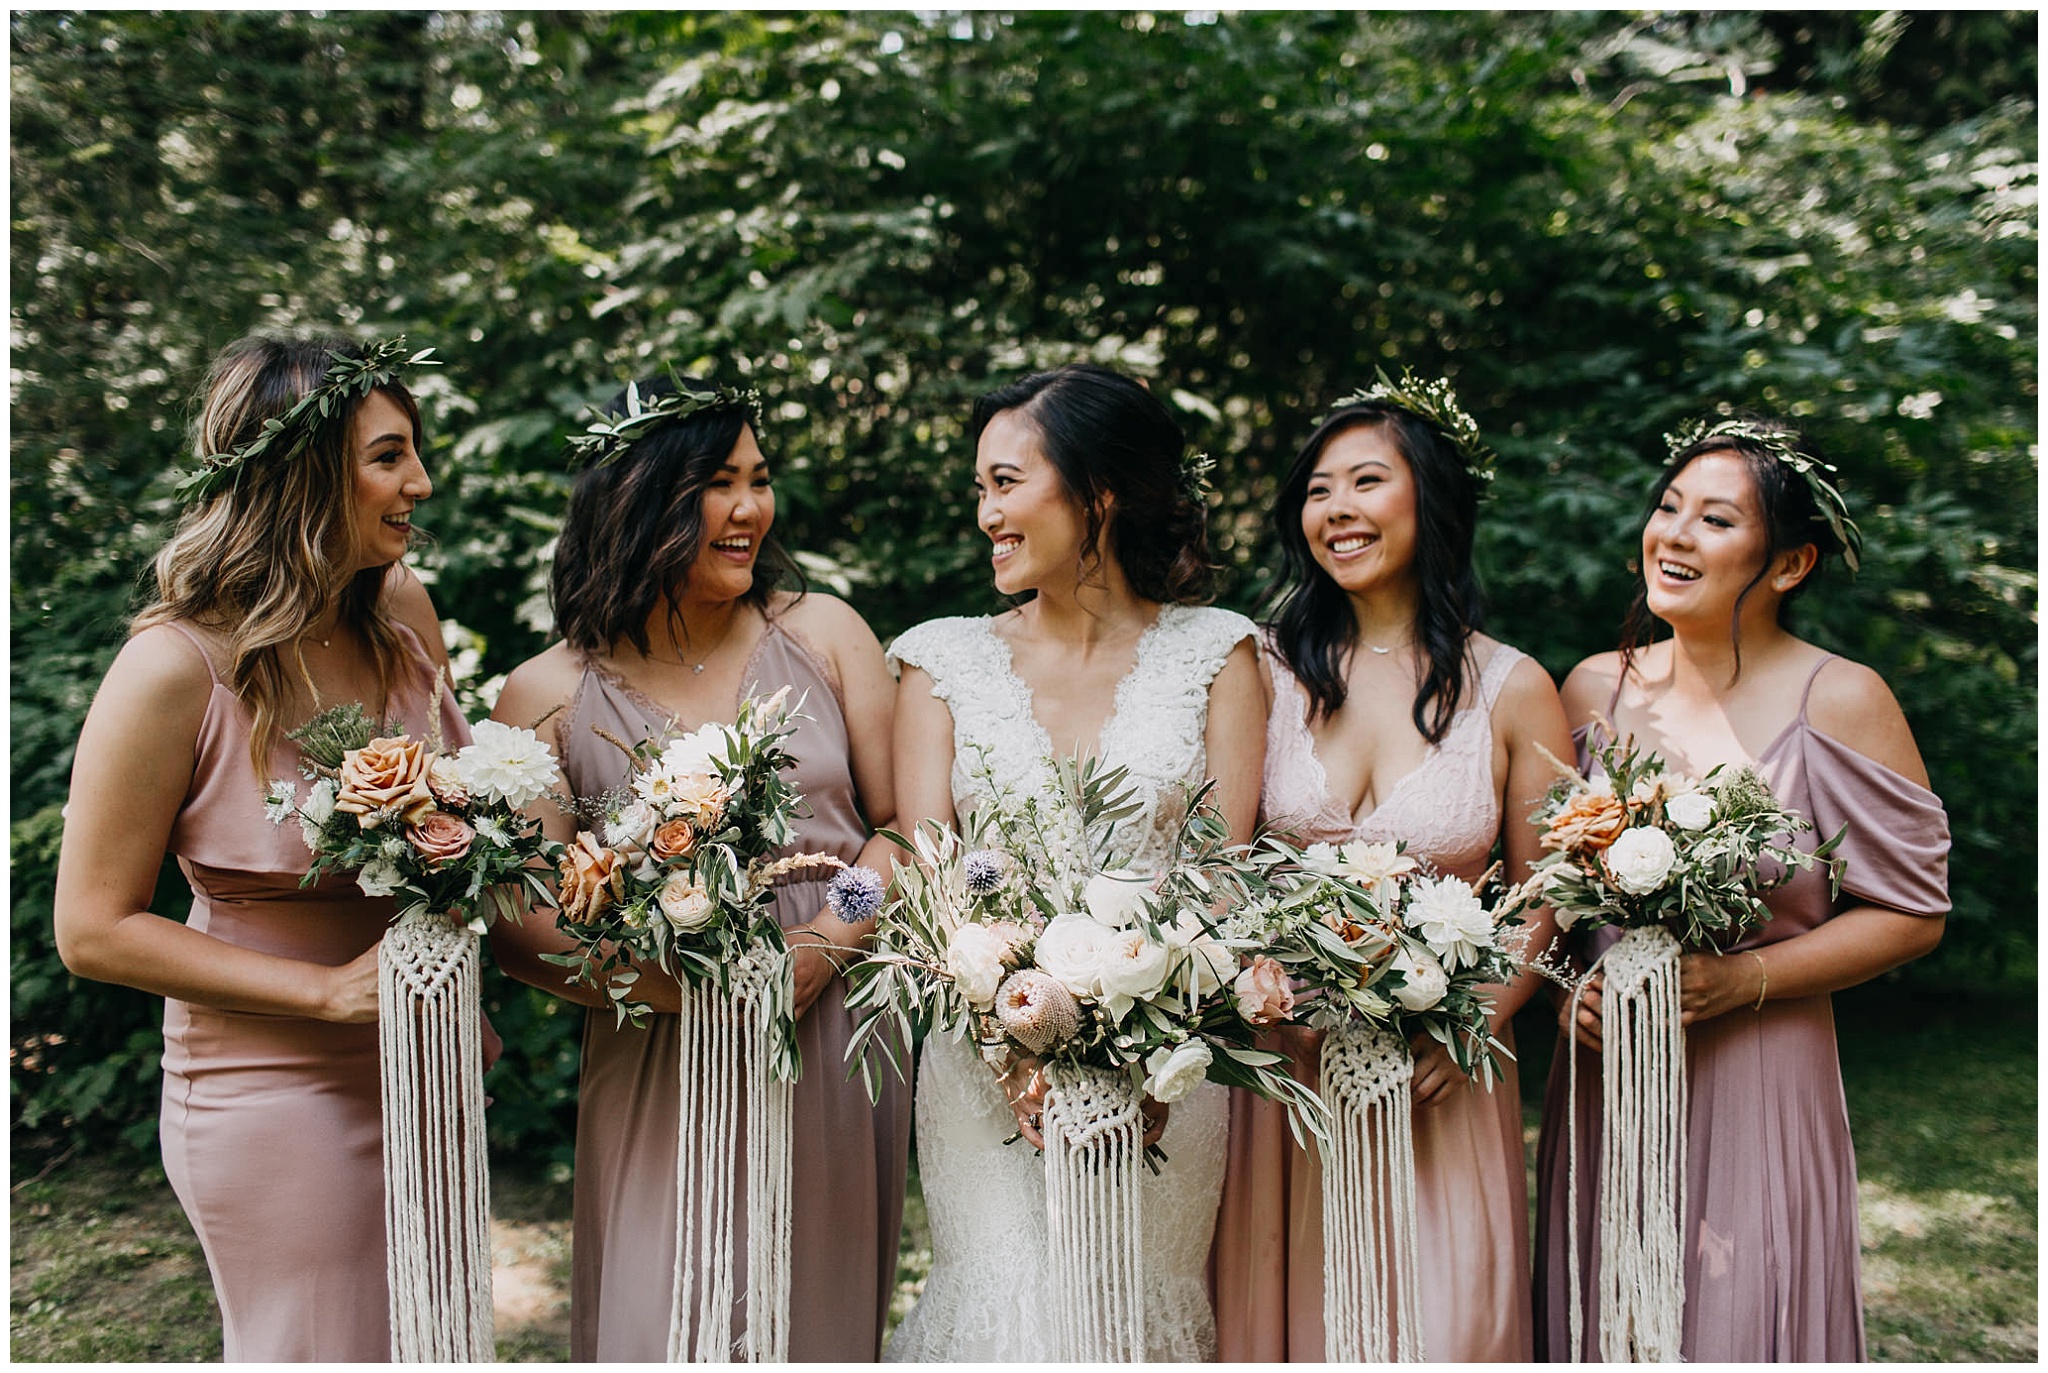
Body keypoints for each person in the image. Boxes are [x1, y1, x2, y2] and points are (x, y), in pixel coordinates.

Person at [53, 333, 464, 1361]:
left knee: (430, 1338)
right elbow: (92, 928)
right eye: (387, 455)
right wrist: (327, 996)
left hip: (421, 1056)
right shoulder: (173, 667)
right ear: (300, 469)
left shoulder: (401, 613)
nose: (419, 480)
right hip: (270, 1083)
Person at [489, 375, 910, 1362]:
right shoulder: (545, 692)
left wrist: (823, 940)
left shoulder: (825, 632)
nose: (751, 507)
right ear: (641, 496)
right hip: (660, 1044)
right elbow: (523, 920)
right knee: (660, 1311)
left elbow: (897, 833)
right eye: (719, 481)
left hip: (833, 1026)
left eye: (758, 479)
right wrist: (680, 987)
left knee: (817, 1311)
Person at [1531, 417, 1950, 1361]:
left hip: (1762, 1066)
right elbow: (1549, 900)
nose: (1674, 534)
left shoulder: (1841, 698)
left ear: (1790, 564)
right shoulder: (1594, 690)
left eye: (1715, 520)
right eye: (1668, 508)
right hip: (1611, 1083)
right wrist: (1570, 996)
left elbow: (1914, 913)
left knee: (1740, 1316)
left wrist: (1739, 981)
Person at [881, 362, 1265, 1362]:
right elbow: (927, 879)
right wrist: (1009, 1041)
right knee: (1000, 1305)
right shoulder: (936, 661)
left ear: (1094, 492)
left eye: (1004, 483)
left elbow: (1223, 875)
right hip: (977, 1064)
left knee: (1135, 1310)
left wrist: (1148, 1040)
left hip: (1171, 1068)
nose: (984, 514)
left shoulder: (1219, 654)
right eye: (978, 490)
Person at [1208, 374, 1570, 1361]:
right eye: (1318, 489)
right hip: (1283, 1069)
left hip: (1439, 1067)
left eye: (1366, 480)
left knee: (1443, 1321)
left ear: (1430, 500)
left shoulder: (1513, 685)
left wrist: (1479, 1017)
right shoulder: (1260, 667)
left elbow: (1546, 888)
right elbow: (1218, 855)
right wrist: (1252, 976)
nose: (1337, 509)